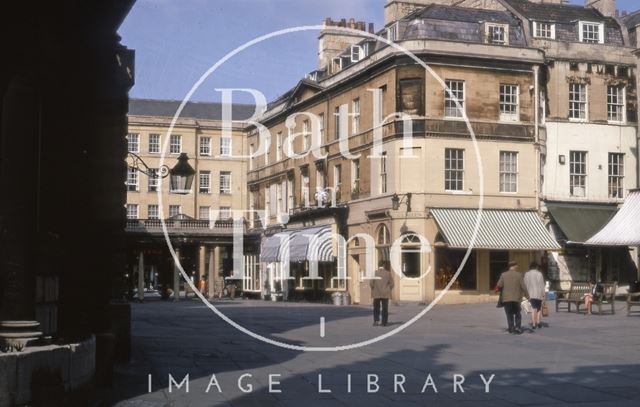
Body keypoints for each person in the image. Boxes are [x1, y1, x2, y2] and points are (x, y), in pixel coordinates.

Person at [495, 261, 529, 334]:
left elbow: (499, 285)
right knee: (517, 313)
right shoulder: (519, 275)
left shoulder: (503, 275)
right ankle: (518, 327)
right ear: (513, 266)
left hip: (506, 298)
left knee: (509, 314)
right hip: (516, 298)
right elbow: (523, 286)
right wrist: (527, 295)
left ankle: (511, 328)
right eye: (516, 266)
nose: (517, 267)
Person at [370, 260, 394, 326]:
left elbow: (371, 283)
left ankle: (376, 321)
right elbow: (392, 283)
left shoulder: (375, 273)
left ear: (378, 265)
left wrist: (374, 289)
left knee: (376, 308)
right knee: (385, 308)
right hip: (385, 293)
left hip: (376, 293)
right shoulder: (388, 273)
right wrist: (388, 289)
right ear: (384, 265)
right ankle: (384, 322)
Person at [524, 262, 545, 329]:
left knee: (533, 308)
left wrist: (525, 294)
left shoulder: (527, 274)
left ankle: (533, 324)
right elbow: (542, 285)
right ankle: (538, 322)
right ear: (536, 267)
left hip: (530, 294)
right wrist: (543, 295)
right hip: (538, 293)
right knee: (539, 308)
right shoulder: (539, 274)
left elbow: (525, 284)